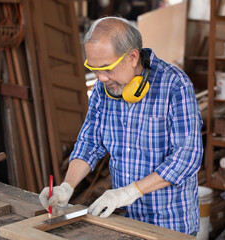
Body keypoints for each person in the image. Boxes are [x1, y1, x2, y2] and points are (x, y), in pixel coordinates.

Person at [39, 16, 203, 236]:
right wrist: (67, 186)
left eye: (107, 68)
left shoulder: (175, 86)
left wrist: (130, 191)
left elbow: (187, 156)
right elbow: (89, 142)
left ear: (133, 57)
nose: (101, 78)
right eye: (94, 69)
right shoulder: (103, 89)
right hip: (125, 221)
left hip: (170, 223)